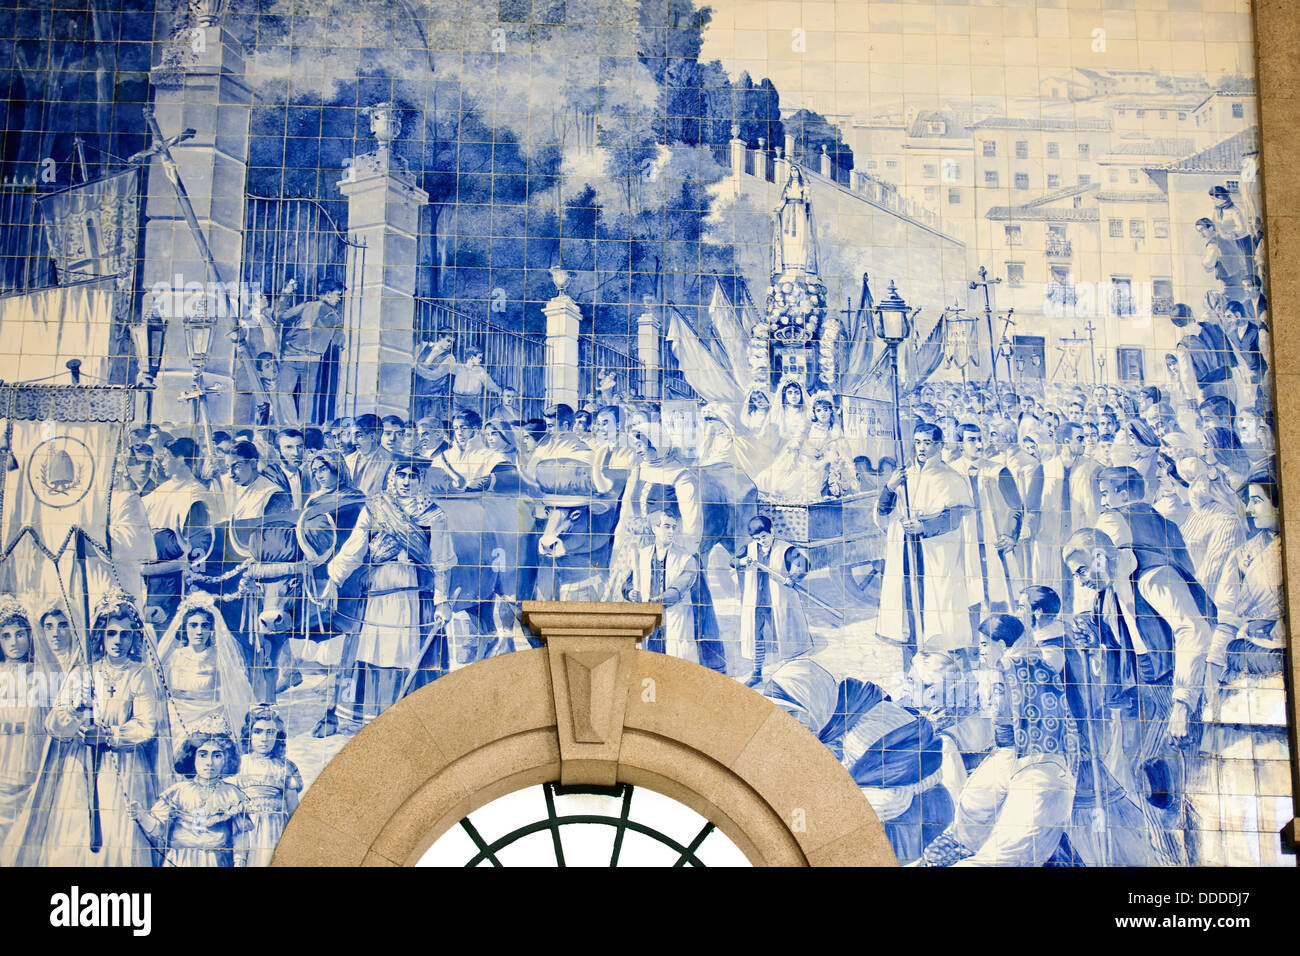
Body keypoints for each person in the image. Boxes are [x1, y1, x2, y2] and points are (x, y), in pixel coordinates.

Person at [1063, 524, 1212, 866]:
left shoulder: (1154, 576)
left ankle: (1182, 860)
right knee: (1129, 774)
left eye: (1082, 570)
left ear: (1100, 556)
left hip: (1175, 688)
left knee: (1162, 781)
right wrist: (1093, 634)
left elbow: (1194, 632)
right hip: (1143, 691)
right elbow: (1120, 638)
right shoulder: (1109, 589)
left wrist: (1182, 702)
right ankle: (1164, 858)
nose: (1081, 580)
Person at [9, 590, 169, 866]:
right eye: (111, 633)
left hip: (125, 768)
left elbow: (147, 725)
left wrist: (109, 734)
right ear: (101, 636)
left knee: (119, 836)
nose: (118, 641)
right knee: (78, 839)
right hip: (82, 768)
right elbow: (54, 725)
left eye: (125, 634)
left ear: (134, 638)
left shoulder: (139, 673)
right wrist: (75, 710)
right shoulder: (83, 672)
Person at [916, 614, 1078, 866]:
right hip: (1016, 756)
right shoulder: (1032, 665)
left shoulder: (1006, 669)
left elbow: (1001, 713)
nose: (979, 650)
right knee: (973, 805)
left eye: (984, 644)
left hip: (1038, 765)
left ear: (1001, 644)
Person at [322, 455, 457, 723]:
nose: (406, 482)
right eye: (402, 475)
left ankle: (409, 718)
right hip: (379, 590)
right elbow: (354, 549)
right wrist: (334, 580)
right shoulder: (375, 508)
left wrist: (442, 600)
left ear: (421, 480)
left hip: (415, 593)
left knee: (407, 652)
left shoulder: (434, 514)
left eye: (413, 476)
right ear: (392, 477)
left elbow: (441, 560)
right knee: (374, 648)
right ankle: (371, 715)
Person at [875, 422, 974, 659]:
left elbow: (955, 517)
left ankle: (941, 659)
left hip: (936, 550)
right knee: (908, 604)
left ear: (939, 445)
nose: (921, 448)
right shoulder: (904, 475)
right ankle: (912, 662)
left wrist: (924, 526)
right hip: (907, 549)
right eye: (918, 442)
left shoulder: (950, 477)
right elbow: (882, 511)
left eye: (927, 443)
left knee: (937, 605)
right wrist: (890, 487)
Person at [295, 452, 369, 737]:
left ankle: (335, 713)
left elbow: (357, 541)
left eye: (325, 469)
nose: (320, 475)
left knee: (346, 651)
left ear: (338, 469)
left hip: (349, 577)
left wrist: (337, 573)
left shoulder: (356, 499)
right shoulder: (313, 499)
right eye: (315, 470)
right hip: (316, 575)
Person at [131, 713, 251, 867]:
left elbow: (240, 837)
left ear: (226, 759)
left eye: (217, 756)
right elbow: (160, 830)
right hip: (180, 859)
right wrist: (141, 815)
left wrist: (240, 863)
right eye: (203, 755)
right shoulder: (178, 792)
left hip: (216, 861)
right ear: (192, 757)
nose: (209, 762)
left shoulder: (233, 794)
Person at [155, 592, 254, 744]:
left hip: (210, 720)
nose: (199, 631)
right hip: (177, 720)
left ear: (211, 629)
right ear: (184, 627)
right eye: (193, 625)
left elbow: (234, 691)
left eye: (205, 625)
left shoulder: (219, 657)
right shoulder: (175, 656)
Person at [954, 423, 1024, 622]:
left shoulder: (998, 470)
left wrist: (1010, 534)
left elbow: (1015, 506)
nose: (978, 444)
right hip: (964, 544)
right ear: (960, 445)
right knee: (969, 598)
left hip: (994, 543)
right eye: (971, 440)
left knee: (999, 595)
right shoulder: (951, 471)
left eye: (980, 439)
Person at [731, 515, 813, 686]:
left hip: (779, 601)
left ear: (772, 532)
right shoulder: (750, 549)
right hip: (756, 601)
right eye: (757, 538)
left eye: (764, 537)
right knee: (756, 636)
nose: (762, 541)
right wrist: (741, 561)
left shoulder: (785, 549)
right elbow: (733, 561)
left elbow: (804, 563)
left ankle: (788, 677)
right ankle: (757, 672)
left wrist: (793, 576)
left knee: (782, 636)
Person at [620, 500, 700, 664]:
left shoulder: (687, 559)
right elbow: (628, 582)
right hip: (649, 621)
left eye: (673, 527)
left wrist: (657, 601)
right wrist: (629, 592)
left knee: (675, 661)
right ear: (654, 528)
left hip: (673, 618)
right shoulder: (641, 555)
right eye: (666, 526)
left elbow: (679, 588)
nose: (671, 531)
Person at [229, 704, 302, 868]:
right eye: (258, 731)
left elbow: (294, 810)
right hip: (246, 829)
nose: (264, 738)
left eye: (271, 732)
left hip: (276, 828)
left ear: (278, 736)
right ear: (249, 734)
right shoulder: (239, 765)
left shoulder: (286, 767)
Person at [0, 598, 48, 845]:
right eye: (6, 636)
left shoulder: (40, 675)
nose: (14, 642)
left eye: (20, 634)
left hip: (27, 754)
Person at [272, 278, 345, 427]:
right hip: (293, 356)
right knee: (287, 393)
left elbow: (339, 339)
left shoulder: (335, 317)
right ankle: (292, 426)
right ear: (327, 293)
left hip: (311, 359)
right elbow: (280, 316)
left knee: (303, 395)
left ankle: (301, 427)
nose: (339, 299)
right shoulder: (311, 307)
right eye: (338, 295)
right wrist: (286, 293)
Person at [343, 414, 393, 498]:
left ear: (373, 436)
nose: (354, 442)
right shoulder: (347, 459)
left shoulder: (389, 461)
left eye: (359, 436)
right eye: (352, 436)